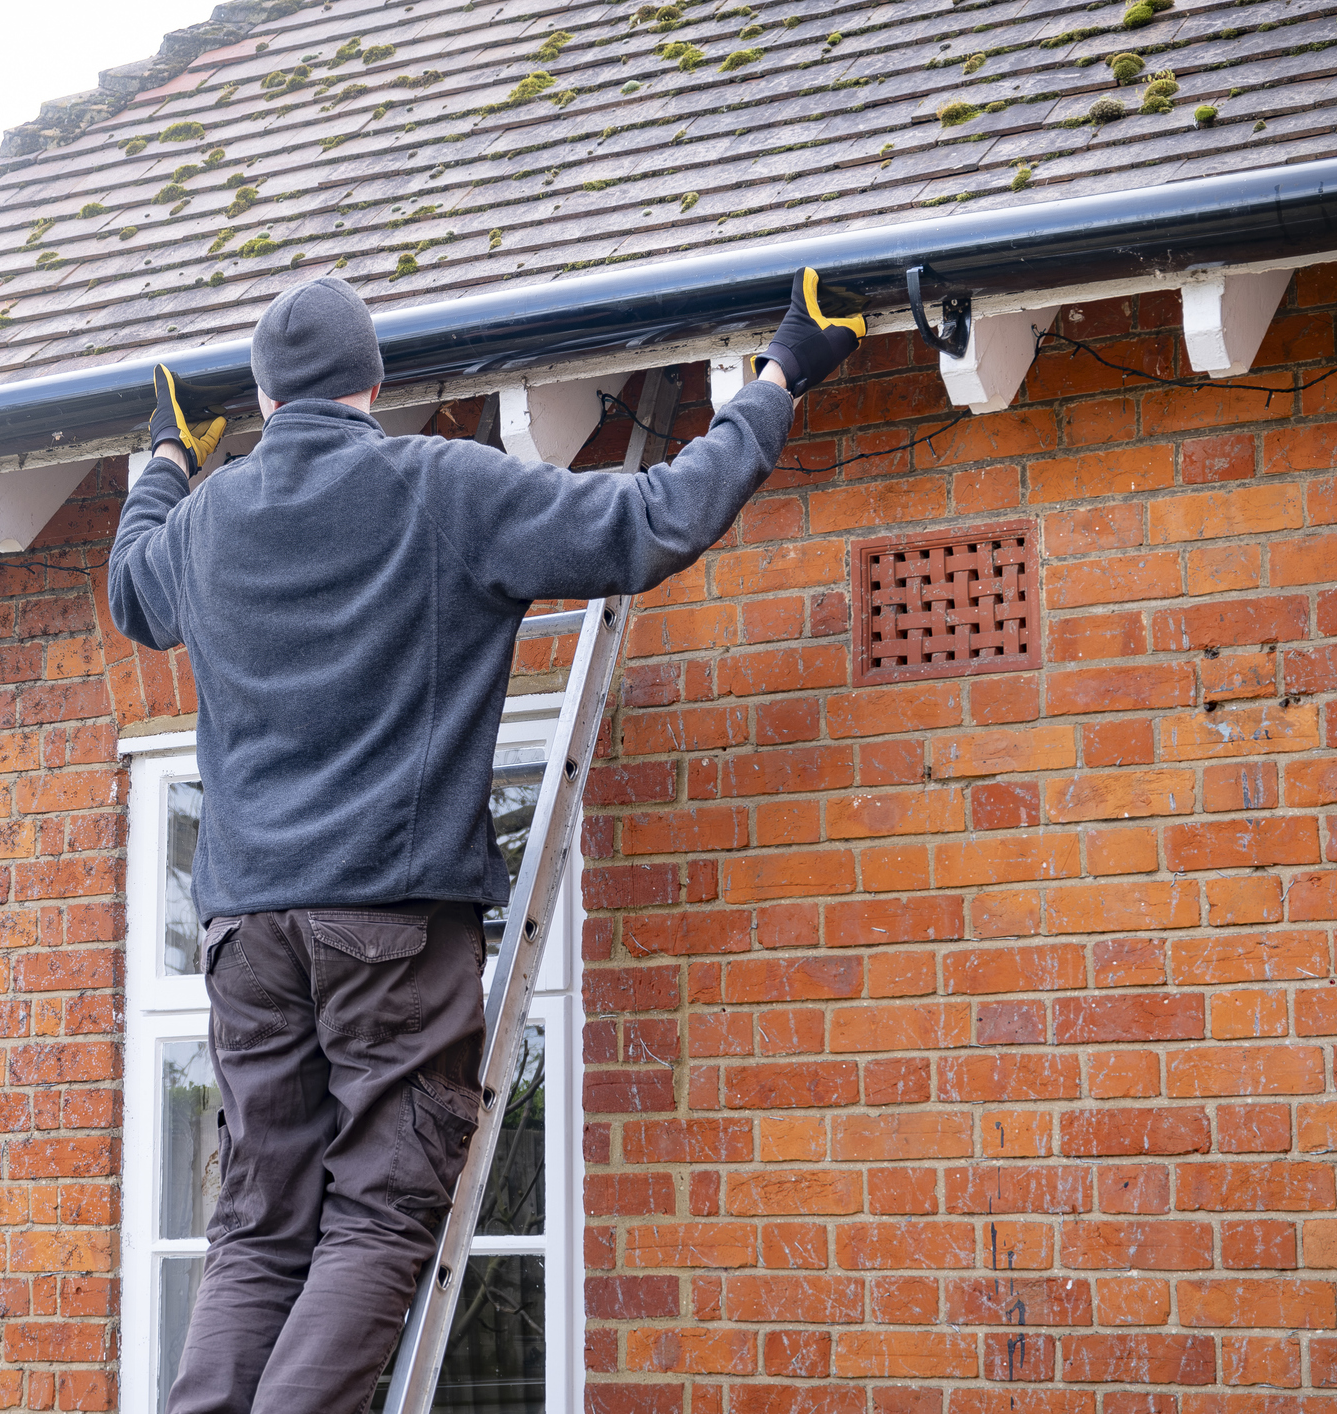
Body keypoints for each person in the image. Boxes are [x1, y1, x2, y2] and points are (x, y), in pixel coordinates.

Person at [108, 268, 863, 1414]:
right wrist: (779, 376)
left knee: (257, 1229)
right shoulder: (440, 488)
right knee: (376, 1217)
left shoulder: (209, 522)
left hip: (245, 937)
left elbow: (132, 587)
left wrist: (167, 454)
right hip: (390, 925)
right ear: (375, 381)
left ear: (262, 403)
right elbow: (653, 517)